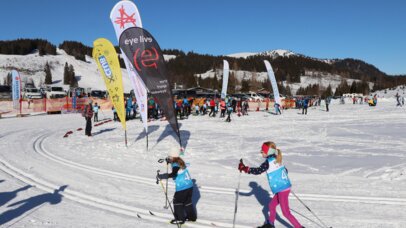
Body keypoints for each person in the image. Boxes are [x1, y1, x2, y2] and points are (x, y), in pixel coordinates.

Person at [238, 142, 303, 228]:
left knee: (286, 213)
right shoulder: (277, 159)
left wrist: (245, 168)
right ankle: (270, 224)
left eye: (263, 151)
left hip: (282, 189)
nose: (261, 152)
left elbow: (258, 171)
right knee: (271, 205)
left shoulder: (268, 162)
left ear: (268, 152)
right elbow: (285, 171)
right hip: (284, 187)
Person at [158, 148, 197, 225]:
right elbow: (176, 166)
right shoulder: (180, 161)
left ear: (173, 157)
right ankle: (192, 217)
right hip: (189, 186)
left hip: (182, 188)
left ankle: (179, 219)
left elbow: (174, 174)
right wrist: (168, 161)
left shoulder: (175, 164)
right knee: (187, 202)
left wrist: (162, 176)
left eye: (170, 157)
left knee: (177, 202)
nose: (169, 158)